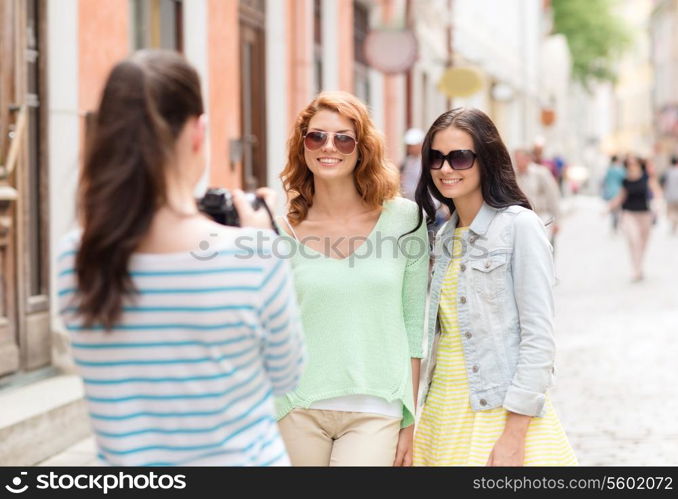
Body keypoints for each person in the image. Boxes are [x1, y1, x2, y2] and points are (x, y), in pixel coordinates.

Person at [56, 50, 305, 466]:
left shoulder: (78, 258)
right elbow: (288, 376)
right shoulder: (256, 256)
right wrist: (260, 238)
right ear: (197, 133)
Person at [411, 108, 577, 466]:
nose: (445, 168)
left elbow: (538, 339)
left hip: (496, 412)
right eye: (436, 158)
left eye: (459, 157)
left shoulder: (520, 227)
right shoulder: (443, 236)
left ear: (486, 159)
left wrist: (514, 436)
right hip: (441, 412)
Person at [276, 91, 429, 466]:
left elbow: (413, 327)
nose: (329, 147)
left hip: (376, 408)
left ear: (363, 148)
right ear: (303, 145)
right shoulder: (280, 229)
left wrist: (410, 423)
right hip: (295, 407)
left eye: (344, 137)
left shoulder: (406, 221)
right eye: (317, 136)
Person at [608, 155, 663, 282]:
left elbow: (657, 191)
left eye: (634, 164)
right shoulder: (625, 181)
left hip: (645, 215)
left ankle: (639, 267)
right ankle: (635, 269)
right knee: (634, 240)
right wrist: (609, 207)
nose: (631, 167)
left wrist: (658, 204)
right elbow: (620, 197)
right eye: (629, 164)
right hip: (629, 214)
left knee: (643, 244)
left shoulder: (646, 178)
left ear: (639, 165)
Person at [514, 148, 561, 247]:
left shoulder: (541, 173)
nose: (517, 162)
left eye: (519, 159)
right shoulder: (513, 175)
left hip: (541, 217)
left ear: (527, 159)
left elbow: (553, 196)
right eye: (516, 159)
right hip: (521, 220)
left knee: (543, 248)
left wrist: (557, 221)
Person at [601, 155, 626, 232]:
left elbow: (605, 181)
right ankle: (617, 223)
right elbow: (624, 180)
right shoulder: (621, 170)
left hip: (610, 191)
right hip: (619, 191)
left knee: (613, 208)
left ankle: (614, 223)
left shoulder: (609, 170)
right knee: (618, 208)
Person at [663, 155, 678, 234]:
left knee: (671, 212)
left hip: (670, 195)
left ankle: (674, 225)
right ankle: (675, 224)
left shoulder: (668, 172)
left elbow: (664, 183)